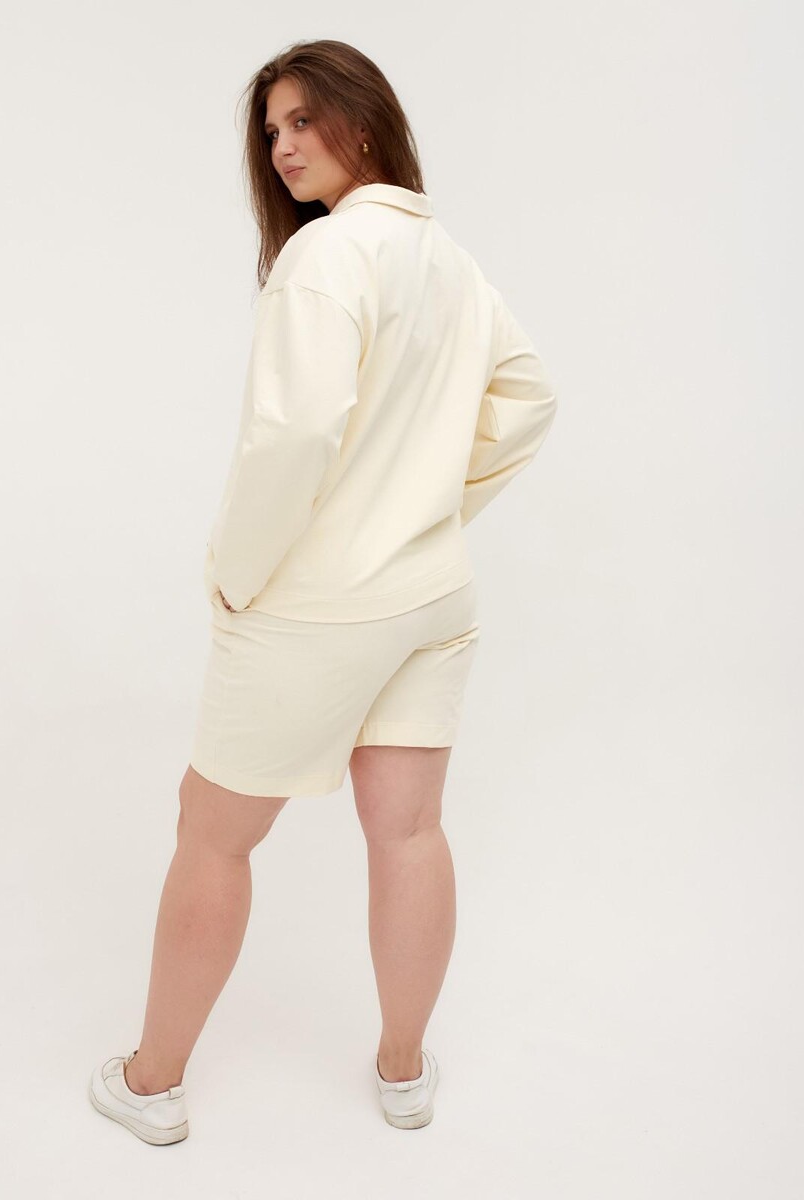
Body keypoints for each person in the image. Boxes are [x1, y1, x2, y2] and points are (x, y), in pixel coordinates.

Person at [89, 39, 558, 1144]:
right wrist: (429, 506)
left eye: (303, 120)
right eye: (271, 131)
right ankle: (404, 1072)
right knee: (409, 832)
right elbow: (529, 398)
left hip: (320, 605)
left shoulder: (326, 256)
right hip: (431, 596)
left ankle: (151, 1084)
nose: (283, 148)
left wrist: (237, 572)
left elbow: (295, 433)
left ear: (364, 117)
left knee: (212, 833)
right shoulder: (450, 261)